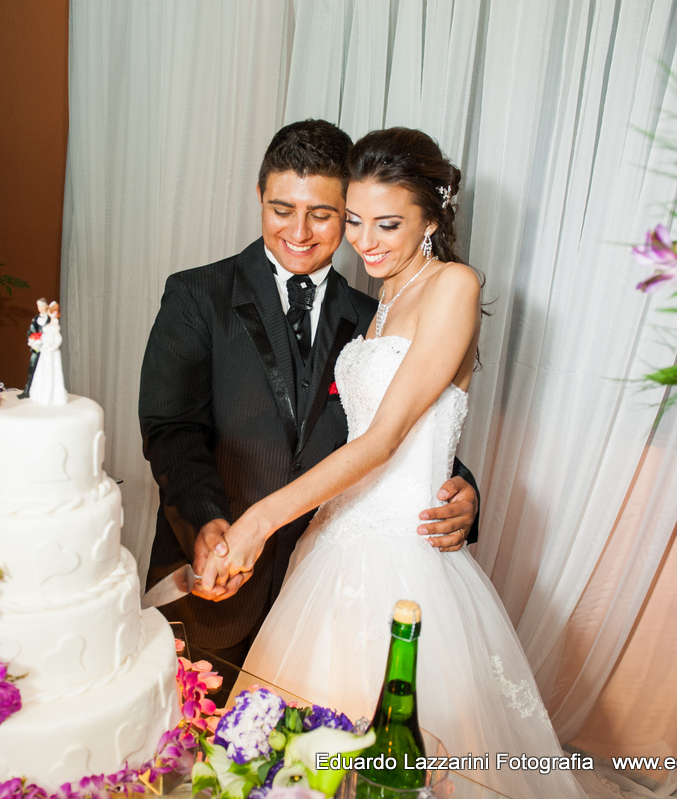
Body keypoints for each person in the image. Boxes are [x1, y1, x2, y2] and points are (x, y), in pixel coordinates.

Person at [211, 128, 588, 799]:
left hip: (403, 551)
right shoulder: (381, 301)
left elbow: (387, 440)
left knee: (406, 754)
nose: (366, 241)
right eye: (354, 220)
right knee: (299, 751)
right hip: (335, 538)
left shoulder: (453, 284)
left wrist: (261, 520)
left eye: (388, 224)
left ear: (433, 219)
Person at [138, 120, 480, 665]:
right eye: (281, 209)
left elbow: (399, 428)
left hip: (333, 589)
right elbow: (172, 431)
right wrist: (208, 523)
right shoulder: (197, 295)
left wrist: (463, 492)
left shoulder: (376, 315)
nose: (299, 231)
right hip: (219, 584)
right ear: (259, 196)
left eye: (323, 215)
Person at [28, 299, 68, 405]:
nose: (54, 313)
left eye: (56, 311)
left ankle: (49, 394)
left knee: (50, 370)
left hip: (51, 351)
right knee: (42, 369)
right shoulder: (44, 320)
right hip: (45, 350)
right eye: (52, 311)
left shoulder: (55, 323)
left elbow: (58, 337)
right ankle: (40, 392)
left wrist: (53, 347)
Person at [19, 298, 52, 400]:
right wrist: (33, 339)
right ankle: (27, 390)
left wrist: (44, 340)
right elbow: (30, 331)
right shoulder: (35, 319)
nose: (40, 308)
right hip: (36, 348)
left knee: (46, 370)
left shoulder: (50, 319)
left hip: (47, 349)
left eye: (42, 306)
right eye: (39, 306)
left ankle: (46, 393)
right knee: (32, 369)